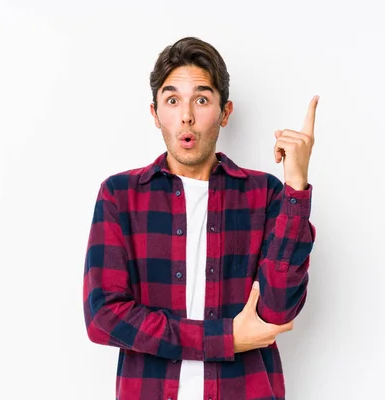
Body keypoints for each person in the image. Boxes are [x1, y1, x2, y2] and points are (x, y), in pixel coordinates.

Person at [82, 36, 317, 400]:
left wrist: (296, 188)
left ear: (225, 112)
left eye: (202, 100)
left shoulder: (264, 194)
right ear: (155, 113)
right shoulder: (120, 195)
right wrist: (224, 339)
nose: (186, 115)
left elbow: (277, 311)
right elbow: (104, 318)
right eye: (172, 100)